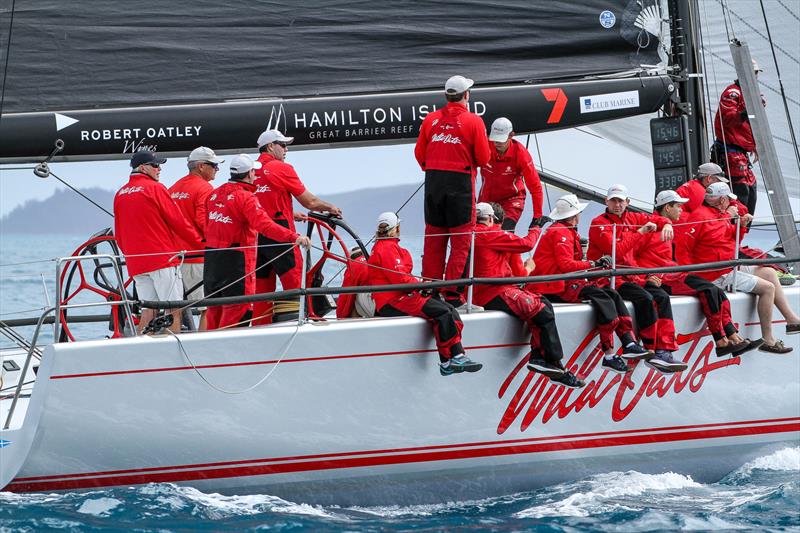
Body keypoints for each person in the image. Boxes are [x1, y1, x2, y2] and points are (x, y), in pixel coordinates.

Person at [531, 194, 659, 374]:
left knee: (610, 294)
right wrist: (593, 264)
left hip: (561, 282)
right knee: (604, 296)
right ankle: (609, 354)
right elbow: (566, 266)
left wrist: (591, 265)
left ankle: (628, 342)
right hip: (555, 285)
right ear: (575, 215)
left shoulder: (562, 230)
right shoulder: (561, 232)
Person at [675, 182, 799, 353]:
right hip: (715, 273)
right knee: (768, 288)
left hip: (728, 266)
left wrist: (740, 225)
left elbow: (731, 243)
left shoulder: (719, 214)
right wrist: (690, 275)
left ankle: (792, 320)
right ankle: (768, 340)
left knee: (769, 272)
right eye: (729, 200)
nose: (732, 203)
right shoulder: (704, 216)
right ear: (722, 200)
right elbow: (686, 246)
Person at [472, 203, 583, 388]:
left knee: (543, 303)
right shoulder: (491, 234)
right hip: (495, 291)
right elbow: (527, 245)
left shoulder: (474, 233)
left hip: (487, 290)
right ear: (492, 219)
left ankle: (540, 357)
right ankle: (554, 363)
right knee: (542, 311)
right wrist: (536, 227)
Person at [637, 190, 754, 357]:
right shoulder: (652, 226)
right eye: (678, 206)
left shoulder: (664, 224)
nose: (681, 210)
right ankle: (720, 340)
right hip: (663, 277)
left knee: (716, 291)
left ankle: (731, 335)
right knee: (709, 290)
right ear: (667, 208)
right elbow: (636, 254)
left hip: (672, 272)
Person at [367, 212, 482, 376]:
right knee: (443, 312)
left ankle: (450, 359)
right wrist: (422, 285)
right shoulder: (387, 248)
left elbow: (400, 278)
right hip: (393, 301)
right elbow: (400, 279)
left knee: (449, 309)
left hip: (398, 297)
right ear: (397, 227)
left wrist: (421, 286)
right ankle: (454, 357)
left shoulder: (384, 247)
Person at [203, 154, 310, 330]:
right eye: (254, 171)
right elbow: (265, 226)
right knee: (239, 308)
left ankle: (209, 352)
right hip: (236, 261)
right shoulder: (246, 198)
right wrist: (294, 237)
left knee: (215, 308)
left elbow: (213, 222)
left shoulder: (214, 194)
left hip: (213, 259)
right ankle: (229, 353)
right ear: (250, 173)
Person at [588, 184, 685, 372]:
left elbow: (656, 218)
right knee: (646, 297)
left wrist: (666, 223)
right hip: (607, 279)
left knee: (661, 297)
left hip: (630, 276)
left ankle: (663, 350)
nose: (617, 204)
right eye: (613, 200)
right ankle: (650, 349)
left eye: (620, 201)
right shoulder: (598, 222)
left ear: (627, 202)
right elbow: (615, 252)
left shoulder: (633, 217)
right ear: (605, 201)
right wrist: (640, 232)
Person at [414, 75, 491, 307]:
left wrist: (435, 167)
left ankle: (430, 290)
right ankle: (452, 294)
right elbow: (484, 157)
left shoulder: (430, 119)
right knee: (461, 241)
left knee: (434, 238)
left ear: (447, 96)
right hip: (460, 185)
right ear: (466, 95)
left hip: (434, 183)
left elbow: (419, 154)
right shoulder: (474, 121)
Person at [252, 129, 342, 325]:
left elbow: (256, 205)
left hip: (256, 236)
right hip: (281, 234)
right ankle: (303, 322)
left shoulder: (250, 171)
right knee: (296, 283)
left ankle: (259, 329)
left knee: (261, 290)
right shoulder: (281, 168)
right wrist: (330, 207)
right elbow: (309, 202)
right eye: (283, 145)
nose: (286, 150)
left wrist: (290, 213)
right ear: (270, 147)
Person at [113, 151, 202, 334]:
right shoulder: (156, 188)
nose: (159, 169)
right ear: (143, 168)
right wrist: (202, 245)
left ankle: (141, 349)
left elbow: (119, 232)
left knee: (148, 310)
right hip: (162, 260)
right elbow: (178, 222)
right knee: (174, 308)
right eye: (155, 165)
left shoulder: (120, 193)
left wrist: (130, 255)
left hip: (136, 262)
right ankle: (172, 352)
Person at [168, 146, 224, 330]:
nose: (217, 169)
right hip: (197, 256)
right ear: (201, 166)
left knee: (173, 307)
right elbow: (204, 222)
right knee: (208, 307)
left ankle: (169, 342)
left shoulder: (173, 188)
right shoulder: (205, 188)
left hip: (173, 258)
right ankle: (203, 348)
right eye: (214, 165)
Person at [711, 59, 765, 215]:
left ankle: (741, 232)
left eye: (756, 73)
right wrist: (748, 110)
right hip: (731, 153)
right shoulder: (733, 93)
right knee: (741, 193)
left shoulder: (749, 93)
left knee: (752, 191)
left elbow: (746, 126)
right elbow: (727, 119)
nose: (755, 76)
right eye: (753, 72)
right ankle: (733, 232)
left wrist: (754, 146)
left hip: (741, 153)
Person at [478, 117, 544, 230]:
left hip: (512, 201)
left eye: (501, 139)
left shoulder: (521, 154)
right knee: (480, 235)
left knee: (505, 233)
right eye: (495, 139)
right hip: (487, 199)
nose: (497, 143)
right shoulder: (484, 146)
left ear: (511, 135)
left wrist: (537, 216)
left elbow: (535, 187)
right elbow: (468, 170)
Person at [336, 246, 374, 319]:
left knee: (353, 299)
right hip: (385, 301)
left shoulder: (353, 266)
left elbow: (346, 295)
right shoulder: (372, 260)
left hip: (373, 303)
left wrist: (340, 316)